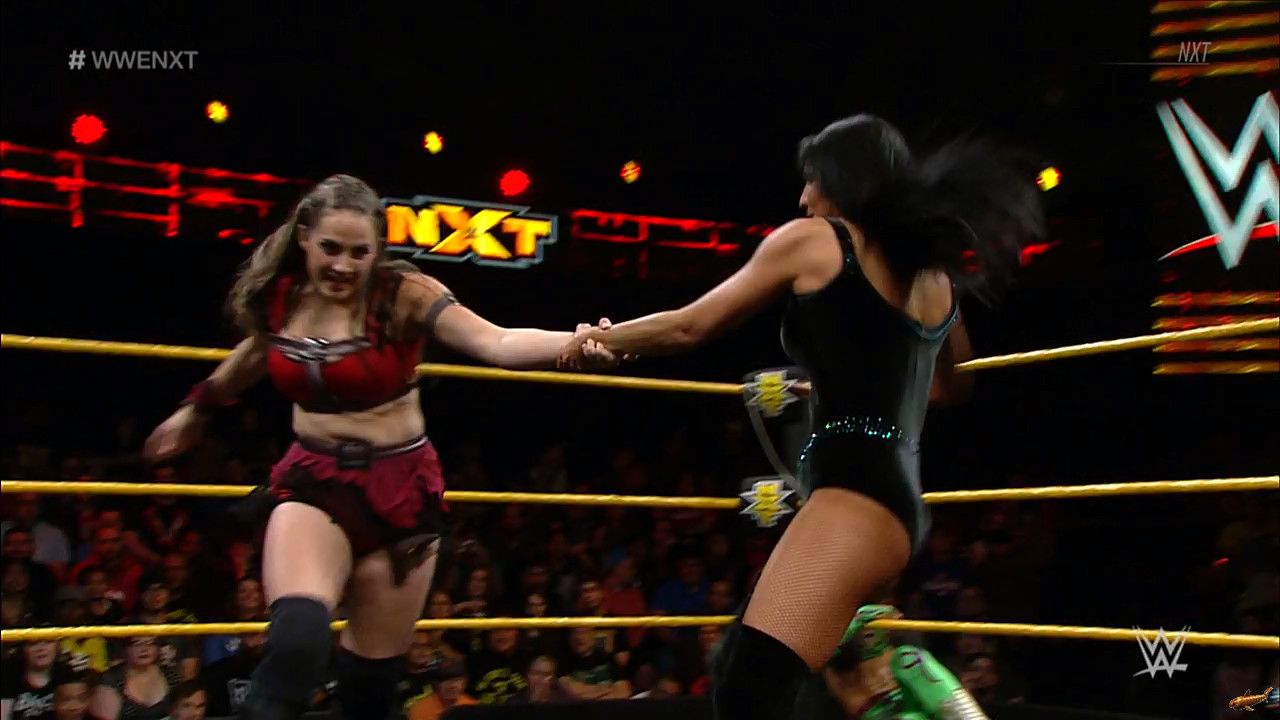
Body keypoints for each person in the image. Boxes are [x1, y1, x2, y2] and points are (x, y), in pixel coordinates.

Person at [560, 114, 1043, 719]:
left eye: (813, 179)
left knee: (747, 685)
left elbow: (691, 326)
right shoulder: (932, 275)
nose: (804, 196)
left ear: (842, 179)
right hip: (896, 505)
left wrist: (599, 338)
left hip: (852, 497)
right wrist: (858, 378)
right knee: (842, 681)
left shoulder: (818, 241)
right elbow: (952, 385)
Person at [142, 174, 618, 720]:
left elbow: (496, 340)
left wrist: (576, 343)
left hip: (400, 492)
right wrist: (198, 407)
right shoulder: (284, 298)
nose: (343, 266)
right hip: (316, 482)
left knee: (369, 688)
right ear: (304, 236)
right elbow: (257, 354)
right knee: (297, 642)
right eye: (330, 248)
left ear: (378, 251)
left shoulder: (402, 293)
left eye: (359, 252)